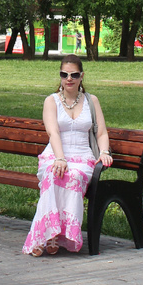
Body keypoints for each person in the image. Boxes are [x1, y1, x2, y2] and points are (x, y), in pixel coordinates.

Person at [22, 55, 112, 257]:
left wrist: (104, 151)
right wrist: (60, 158)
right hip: (55, 154)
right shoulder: (51, 101)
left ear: (82, 76)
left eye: (74, 75)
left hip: (82, 157)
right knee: (54, 174)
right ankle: (47, 235)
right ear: (60, 76)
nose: (69, 79)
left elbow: (101, 133)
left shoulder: (91, 101)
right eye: (64, 74)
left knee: (74, 176)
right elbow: (53, 132)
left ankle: (58, 235)